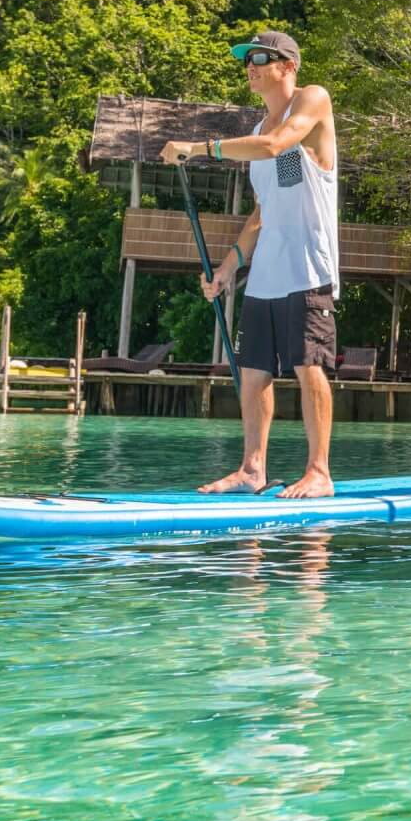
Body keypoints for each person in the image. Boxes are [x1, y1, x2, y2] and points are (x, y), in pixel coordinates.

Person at [159, 30, 339, 498]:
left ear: (288, 65)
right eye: (246, 59)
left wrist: (200, 148)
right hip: (266, 276)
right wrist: (228, 267)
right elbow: (264, 211)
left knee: (308, 366)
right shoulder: (260, 128)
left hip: (308, 270)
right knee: (254, 371)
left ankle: (319, 472)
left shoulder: (312, 100)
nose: (250, 66)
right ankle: (251, 470)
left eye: (260, 57)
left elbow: (277, 145)